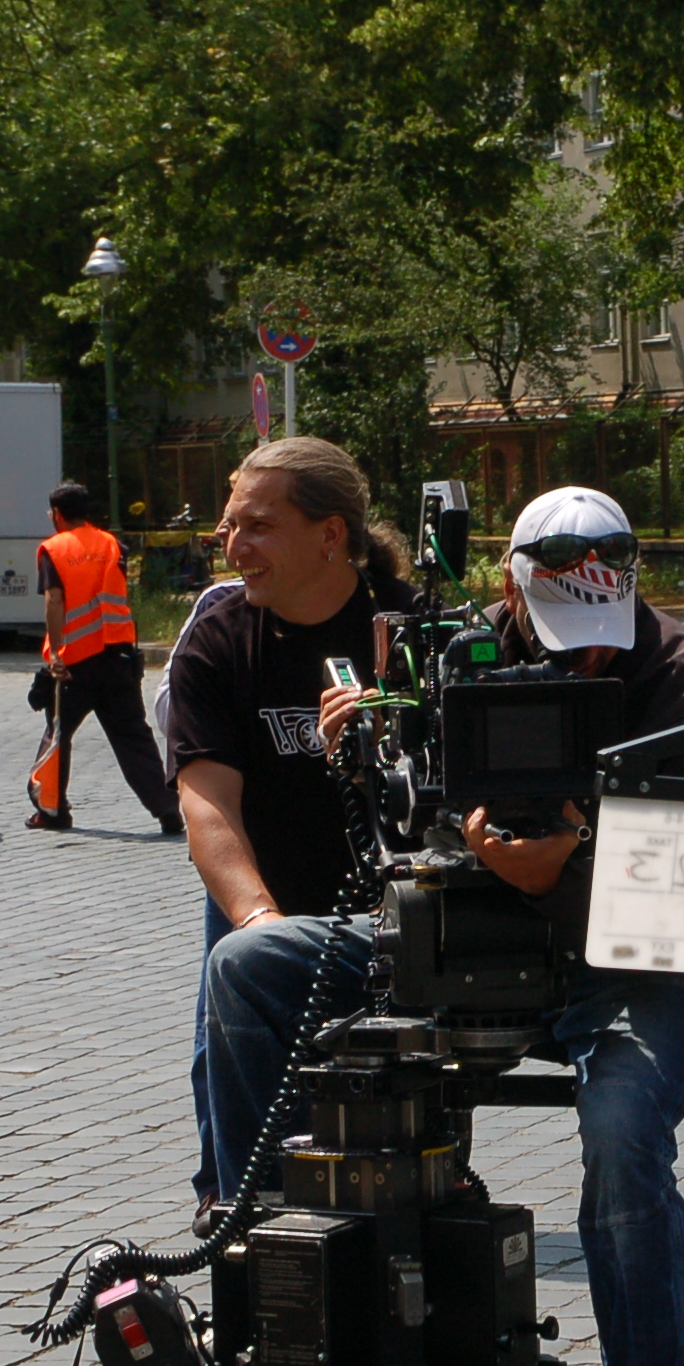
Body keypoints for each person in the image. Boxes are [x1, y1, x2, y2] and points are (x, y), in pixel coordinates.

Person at [187, 473, 684, 1366]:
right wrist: (364, 753)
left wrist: (569, 866)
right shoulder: (437, 651)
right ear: (509, 590)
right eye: (554, 639)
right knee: (251, 965)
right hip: (463, 935)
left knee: (622, 1129)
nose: (577, 667)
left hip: (644, 962)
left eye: (595, 646)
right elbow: (397, 843)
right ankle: (285, 1340)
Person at [164, 438, 422, 1208]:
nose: (232, 546)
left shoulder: (414, 631)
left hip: (394, 914)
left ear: (331, 535)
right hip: (261, 903)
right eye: (229, 525)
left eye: (257, 526)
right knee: (233, 1053)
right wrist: (260, 924)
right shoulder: (218, 639)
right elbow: (206, 805)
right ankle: (244, 1227)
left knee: (395, 1094)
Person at [26, 478, 180, 834]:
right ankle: (167, 808)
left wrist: (56, 653)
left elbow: (55, 600)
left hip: (75, 663)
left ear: (57, 514)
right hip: (118, 657)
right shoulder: (113, 545)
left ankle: (52, 811)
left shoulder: (54, 548)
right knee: (133, 737)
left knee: (58, 735)